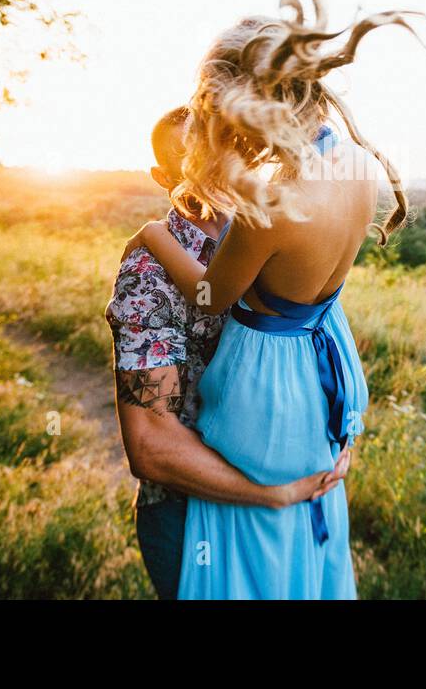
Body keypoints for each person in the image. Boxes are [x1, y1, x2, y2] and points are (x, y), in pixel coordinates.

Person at [129, 0, 419, 598]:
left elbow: (210, 298)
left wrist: (152, 234)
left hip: (266, 389)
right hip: (322, 365)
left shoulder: (272, 195)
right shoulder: (356, 164)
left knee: (245, 559)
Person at [105, 105, 349, 600]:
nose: (213, 167)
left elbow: (320, 347)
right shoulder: (147, 279)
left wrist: (338, 439)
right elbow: (151, 447)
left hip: (302, 499)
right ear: (162, 176)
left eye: (224, 147)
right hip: (195, 513)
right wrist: (272, 495)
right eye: (192, 156)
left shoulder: (278, 238)